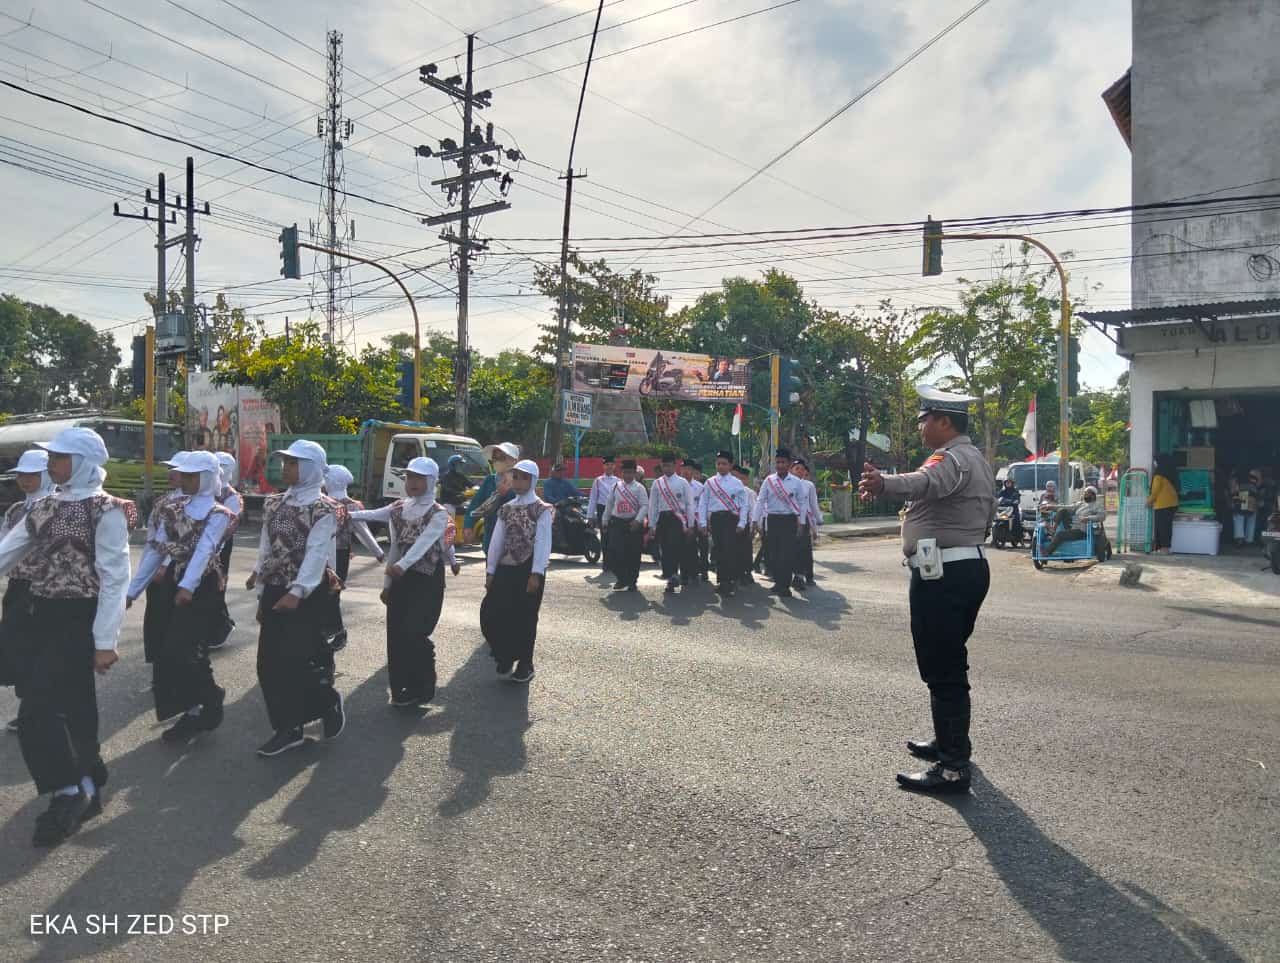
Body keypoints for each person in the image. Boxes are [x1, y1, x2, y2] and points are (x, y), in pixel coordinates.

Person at [0, 427, 134, 846]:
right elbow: (8, 550)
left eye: (59, 457)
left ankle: (67, 792)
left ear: (82, 462)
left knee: (36, 713)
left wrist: (105, 640)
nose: (51, 464)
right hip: (42, 615)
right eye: (52, 457)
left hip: (80, 618)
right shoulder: (44, 506)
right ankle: (89, 775)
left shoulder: (106, 510)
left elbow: (116, 578)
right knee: (75, 705)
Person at [858, 385, 994, 794]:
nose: (920, 428)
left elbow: (924, 480)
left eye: (924, 420)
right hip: (961, 568)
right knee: (946, 666)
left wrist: (884, 483)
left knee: (943, 669)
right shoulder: (975, 459)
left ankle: (953, 768)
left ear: (945, 422)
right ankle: (950, 743)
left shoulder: (952, 458)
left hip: (945, 576)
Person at [126, 452, 236, 743]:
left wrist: (188, 586)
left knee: (185, 647)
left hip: (203, 586)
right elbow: (156, 550)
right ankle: (193, 708)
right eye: (183, 475)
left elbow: (205, 550)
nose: (184, 480)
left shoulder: (219, 513)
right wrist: (132, 590)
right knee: (168, 650)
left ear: (208, 477)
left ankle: (208, 699)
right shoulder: (172, 509)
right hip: (174, 583)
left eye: (191, 475)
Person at [246, 440, 345, 757]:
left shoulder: (324, 509)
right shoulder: (273, 503)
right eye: (285, 462)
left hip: (306, 592)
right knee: (268, 665)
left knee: (295, 661)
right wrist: (261, 590)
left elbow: (317, 553)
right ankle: (288, 728)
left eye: (293, 463)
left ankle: (319, 707)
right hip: (276, 589)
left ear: (312, 468)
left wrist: (298, 592)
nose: (285, 468)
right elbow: (265, 548)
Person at [350, 458, 452, 708]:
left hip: (426, 579)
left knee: (415, 631)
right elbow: (385, 533)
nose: (412, 483)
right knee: (396, 635)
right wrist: (343, 512)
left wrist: (401, 567)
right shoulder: (398, 508)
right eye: (409, 478)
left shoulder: (438, 514)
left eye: (418, 478)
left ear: (430, 481)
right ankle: (401, 689)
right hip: (400, 580)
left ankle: (423, 685)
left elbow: (423, 544)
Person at [0, 449, 56, 734]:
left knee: (36, 651)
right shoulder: (14, 510)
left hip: (44, 589)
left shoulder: (56, 508)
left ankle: (39, 713)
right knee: (16, 650)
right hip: (17, 587)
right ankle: (29, 709)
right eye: (22, 475)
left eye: (32, 475)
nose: (25, 480)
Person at [481, 459, 552, 684]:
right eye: (516, 477)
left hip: (528, 569)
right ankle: (504, 655)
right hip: (505, 568)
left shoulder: (542, 509)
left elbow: (543, 542)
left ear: (533, 480)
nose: (518, 482)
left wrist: (536, 573)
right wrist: (491, 570)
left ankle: (525, 663)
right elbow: (497, 541)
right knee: (492, 613)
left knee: (525, 617)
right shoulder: (506, 508)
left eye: (524, 478)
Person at [322, 464, 384, 651]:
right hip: (324, 555)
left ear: (331, 481)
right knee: (326, 594)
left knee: (332, 593)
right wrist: (378, 552)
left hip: (338, 555)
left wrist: (378, 551)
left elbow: (363, 531)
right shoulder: (322, 501)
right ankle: (328, 629)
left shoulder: (347, 506)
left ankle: (338, 631)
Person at [751, 448, 807, 599]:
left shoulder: (796, 482)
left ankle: (785, 586)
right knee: (773, 554)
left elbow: (802, 503)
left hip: (789, 521)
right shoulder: (769, 481)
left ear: (789, 464)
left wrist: (801, 523)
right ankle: (778, 583)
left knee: (786, 555)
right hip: (773, 520)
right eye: (778, 462)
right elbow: (760, 500)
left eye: (783, 462)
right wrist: (755, 520)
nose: (780, 465)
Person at [698, 451, 749, 597]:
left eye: (724, 463)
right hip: (716, 519)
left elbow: (744, 505)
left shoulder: (737, 483)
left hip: (731, 519)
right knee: (718, 550)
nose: (721, 466)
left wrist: (742, 522)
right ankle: (722, 581)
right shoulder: (710, 482)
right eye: (718, 463)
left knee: (729, 550)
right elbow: (703, 503)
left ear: (730, 465)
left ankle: (729, 580)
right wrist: (702, 522)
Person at [208, 451, 243, 650]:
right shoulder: (207, 489)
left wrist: (215, 550)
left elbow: (229, 524)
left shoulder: (231, 496)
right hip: (205, 544)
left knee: (217, 583)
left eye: (224, 466)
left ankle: (220, 627)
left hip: (221, 545)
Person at [647, 454, 696, 593]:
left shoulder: (682, 482)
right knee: (665, 549)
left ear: (674, 466)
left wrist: (690, 524)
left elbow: (689, 504)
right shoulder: (657, 483)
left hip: (677, 519)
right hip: (663, 518)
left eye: (669, 465)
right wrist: (652, 525)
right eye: (664, 465)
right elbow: (653, 506)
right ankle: (670, 577)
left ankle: (675, 575)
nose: (666, 468)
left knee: (675, 547)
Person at [464, 442, 519, 555]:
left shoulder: (521, 480)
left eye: (501, 458)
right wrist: (468, 525)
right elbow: (476, 505)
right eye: (494, 458)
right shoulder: (490, 481)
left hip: (514, 539)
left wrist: (508, 493)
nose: (496, 461)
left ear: (513, 460)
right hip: (491, 536)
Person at [602, 459, 648, 591]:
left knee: (633, 553)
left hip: (633, 523)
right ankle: (621, 578)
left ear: (634, 473)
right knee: (614, 552)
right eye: (625, 472)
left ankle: (632, 580)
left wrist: (638, 520)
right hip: (617, 522)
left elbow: (645, 505)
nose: (628, 475)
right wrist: (605, 520)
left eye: (630, 472)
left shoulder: (639, 488)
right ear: (621, 473)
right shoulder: (616, 487)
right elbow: (609, 504)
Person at [791, 458, 821, 589]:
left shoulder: (809, 485)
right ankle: (793, 577)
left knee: (805, 550)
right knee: (792, 550)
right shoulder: (787, 484)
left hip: (805, 521)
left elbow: (813, 505)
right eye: (797, 469)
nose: (799, 471)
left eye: (802, 469)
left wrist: (817, 522)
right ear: (791, 470)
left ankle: (806, 576)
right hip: (790, 520)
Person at [587, 455, 620, 574]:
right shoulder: (598, 481)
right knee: (605, 537)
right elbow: (593, 499)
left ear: (614, 466)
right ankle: (606, 563)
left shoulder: (618, 481)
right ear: (603, 466)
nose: (609, 467)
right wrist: (590, 516)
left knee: (615, 537)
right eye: (607, 465)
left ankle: (614, 562)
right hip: (602, 510)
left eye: (611, 465)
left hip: (614, 511)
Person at [681, 459, 708, 584]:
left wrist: (704, 523)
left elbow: (703, 505)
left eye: (689, 469)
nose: (686, 472)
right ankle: (685, 574)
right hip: (682, 519)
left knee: (703, 545)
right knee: (685, 547)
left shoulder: (700, 487)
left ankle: (703, 570)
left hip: (698, 519)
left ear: (693, 471)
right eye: (684, 469)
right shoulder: (677, 485)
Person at [1147, 454, 1179, 553]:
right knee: (1166, 527)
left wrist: (1149, 501)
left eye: (1155, 461)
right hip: (1171, 504)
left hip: (1162, 505)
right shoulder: (1170, 472)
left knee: (1162, 528)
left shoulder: (1158, 475)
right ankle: (1163, 549)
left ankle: (1164, 550)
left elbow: (1155, 491)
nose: (1154, 463)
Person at [731, 464, 757, 586]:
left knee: (746, 550)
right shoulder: (729, 490)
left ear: (746, 479)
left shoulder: (749, 493)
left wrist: (752, 527)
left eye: (741, 478)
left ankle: (747, 572)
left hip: (745, 525)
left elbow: (752, 510)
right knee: (733, 550)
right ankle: (735, 574)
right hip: (731, 524)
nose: (739, 481)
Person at [1229, 469, 1262, 546]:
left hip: (1242, 494)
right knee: (1251, 516)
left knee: (1239, 515)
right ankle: (1249, 539)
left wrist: (1232, 499)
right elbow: (1259, 484)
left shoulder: (1235, 473)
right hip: (1252, 494)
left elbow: (1233, 487)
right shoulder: (1255, 472)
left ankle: (1239, 538)